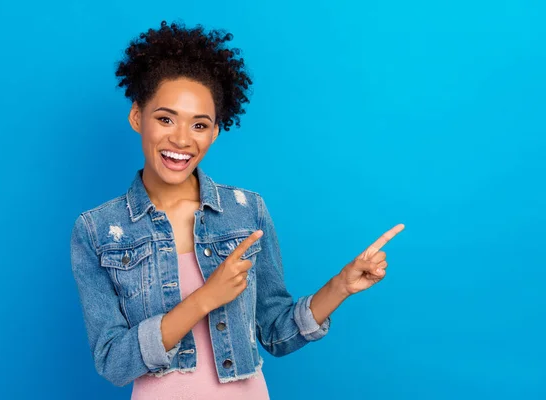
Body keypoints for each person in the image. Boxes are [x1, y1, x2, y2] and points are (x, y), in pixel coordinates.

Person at [70, 20, 405, 400]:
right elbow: (114, 361)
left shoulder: (246, 212)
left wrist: (340, 286)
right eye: (165, 118)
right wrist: (204, 298)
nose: (181, 139)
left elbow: (277, 333)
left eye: (199, 124)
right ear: (137, 117)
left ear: (214, 133)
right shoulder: (97, 230)